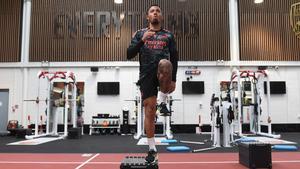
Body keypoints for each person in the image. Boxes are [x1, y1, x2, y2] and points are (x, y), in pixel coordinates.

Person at [127, 4, 178, 163]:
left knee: (165, 63)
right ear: (148, 17)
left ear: (161, 17)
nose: (155, 13)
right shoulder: (140, 34)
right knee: (149, 111)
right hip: (146, 75)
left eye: (158, 11)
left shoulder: (168, 35)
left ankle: (163, 102)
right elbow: (129, 54)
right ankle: (151, 149)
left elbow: (174, 58)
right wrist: (142, 41)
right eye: (152, 11)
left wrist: (174, 79)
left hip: (163, 72)